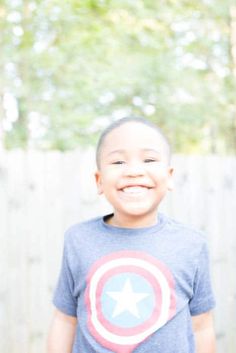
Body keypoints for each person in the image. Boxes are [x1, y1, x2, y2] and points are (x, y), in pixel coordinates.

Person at [47, 117, 216, 353]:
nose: (134, 171)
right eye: (118, 162)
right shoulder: (78, 239)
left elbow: (201, 326)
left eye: (149, 159)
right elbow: (65, 319)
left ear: (169, 176)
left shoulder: (192, 244)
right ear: (99, 181)